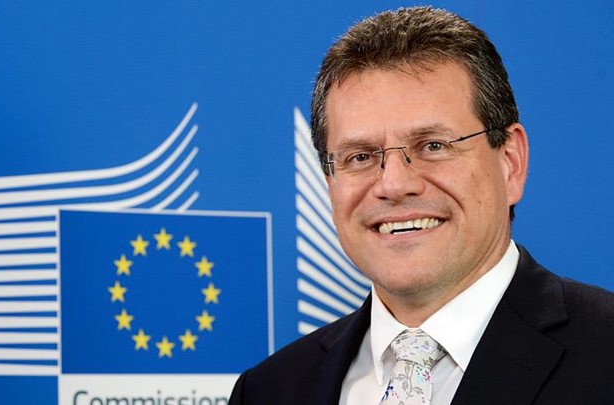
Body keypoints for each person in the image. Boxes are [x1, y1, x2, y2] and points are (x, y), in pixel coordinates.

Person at [229, 6, 614, 405]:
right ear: (330, 183)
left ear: (510, 162)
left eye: (433, 146)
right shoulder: (267, 391)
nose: (394, 185)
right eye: (360, 156)